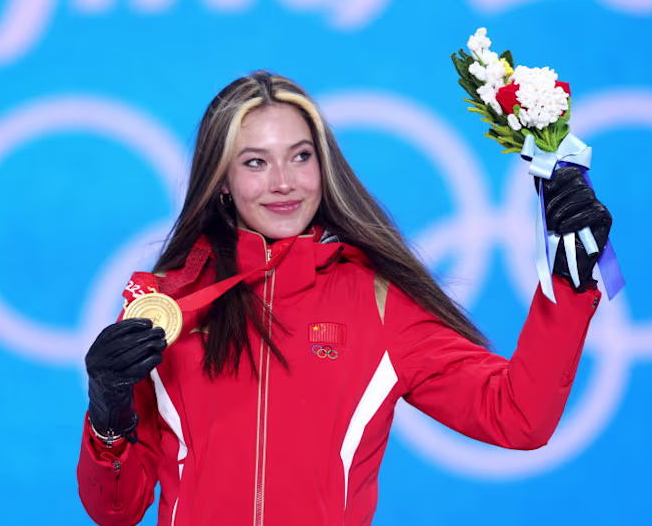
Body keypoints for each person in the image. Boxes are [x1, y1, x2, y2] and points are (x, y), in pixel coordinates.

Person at [76, 71, 612, 526]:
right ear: (222, 181)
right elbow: (117, 510)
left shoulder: (377, 302)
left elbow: (517, 415)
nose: (284, 182)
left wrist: (568, 282)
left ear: (322, 165)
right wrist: (108, 410)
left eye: (300, 156)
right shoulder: (169, 306)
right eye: (255, 163)